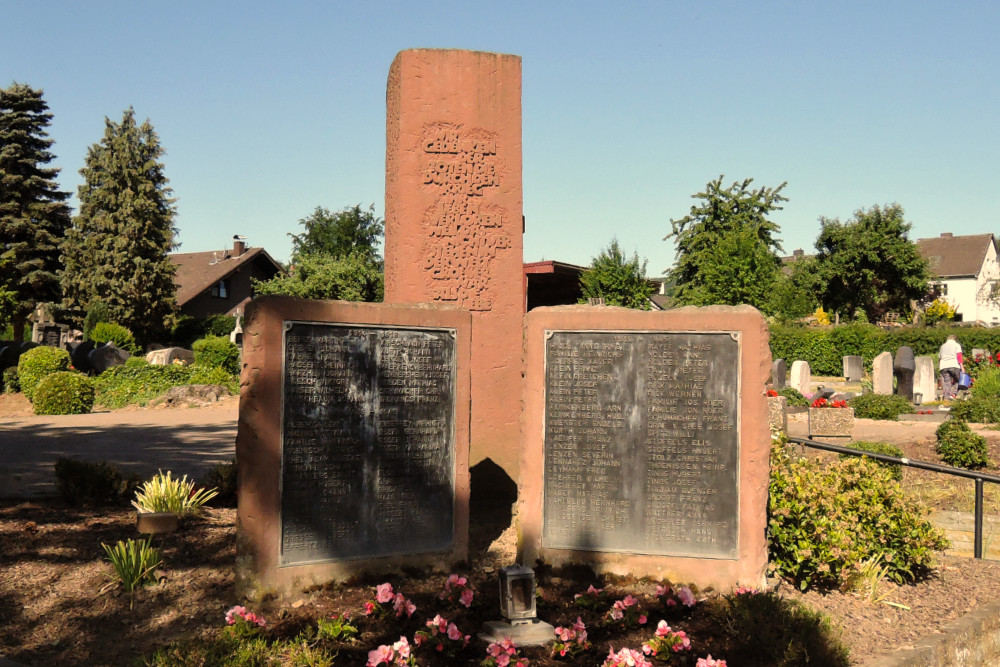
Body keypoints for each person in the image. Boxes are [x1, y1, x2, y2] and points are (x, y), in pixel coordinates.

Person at [939, 335, 964, 400]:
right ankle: (953, 393)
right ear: (955, 339)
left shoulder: (943, 346)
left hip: (943, 366)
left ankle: (946, 398)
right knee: (959, 380)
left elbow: (940, 357)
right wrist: (962, 367)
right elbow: (959, 356)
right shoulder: (956, 345)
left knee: (947, 382)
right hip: (953, 365)